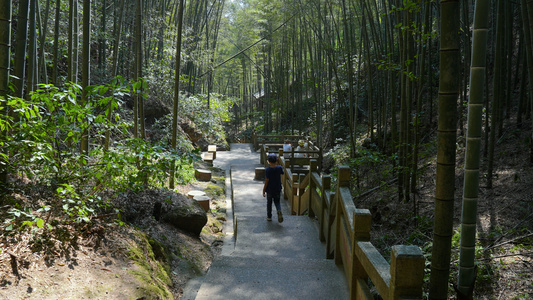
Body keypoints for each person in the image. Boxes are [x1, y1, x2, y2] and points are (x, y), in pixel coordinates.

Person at [262, 153, 284, 223]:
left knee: (269, 203)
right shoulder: (279, 168)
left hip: (270, 189)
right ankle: (279, 210)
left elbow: (266, 180)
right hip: (277, 188)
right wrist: (278, 162)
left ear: (269, 161)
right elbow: (282, 172)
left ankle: (269, 217)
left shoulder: (268, 169)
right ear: (276, 160)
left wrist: (264, 189)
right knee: (277, 202)